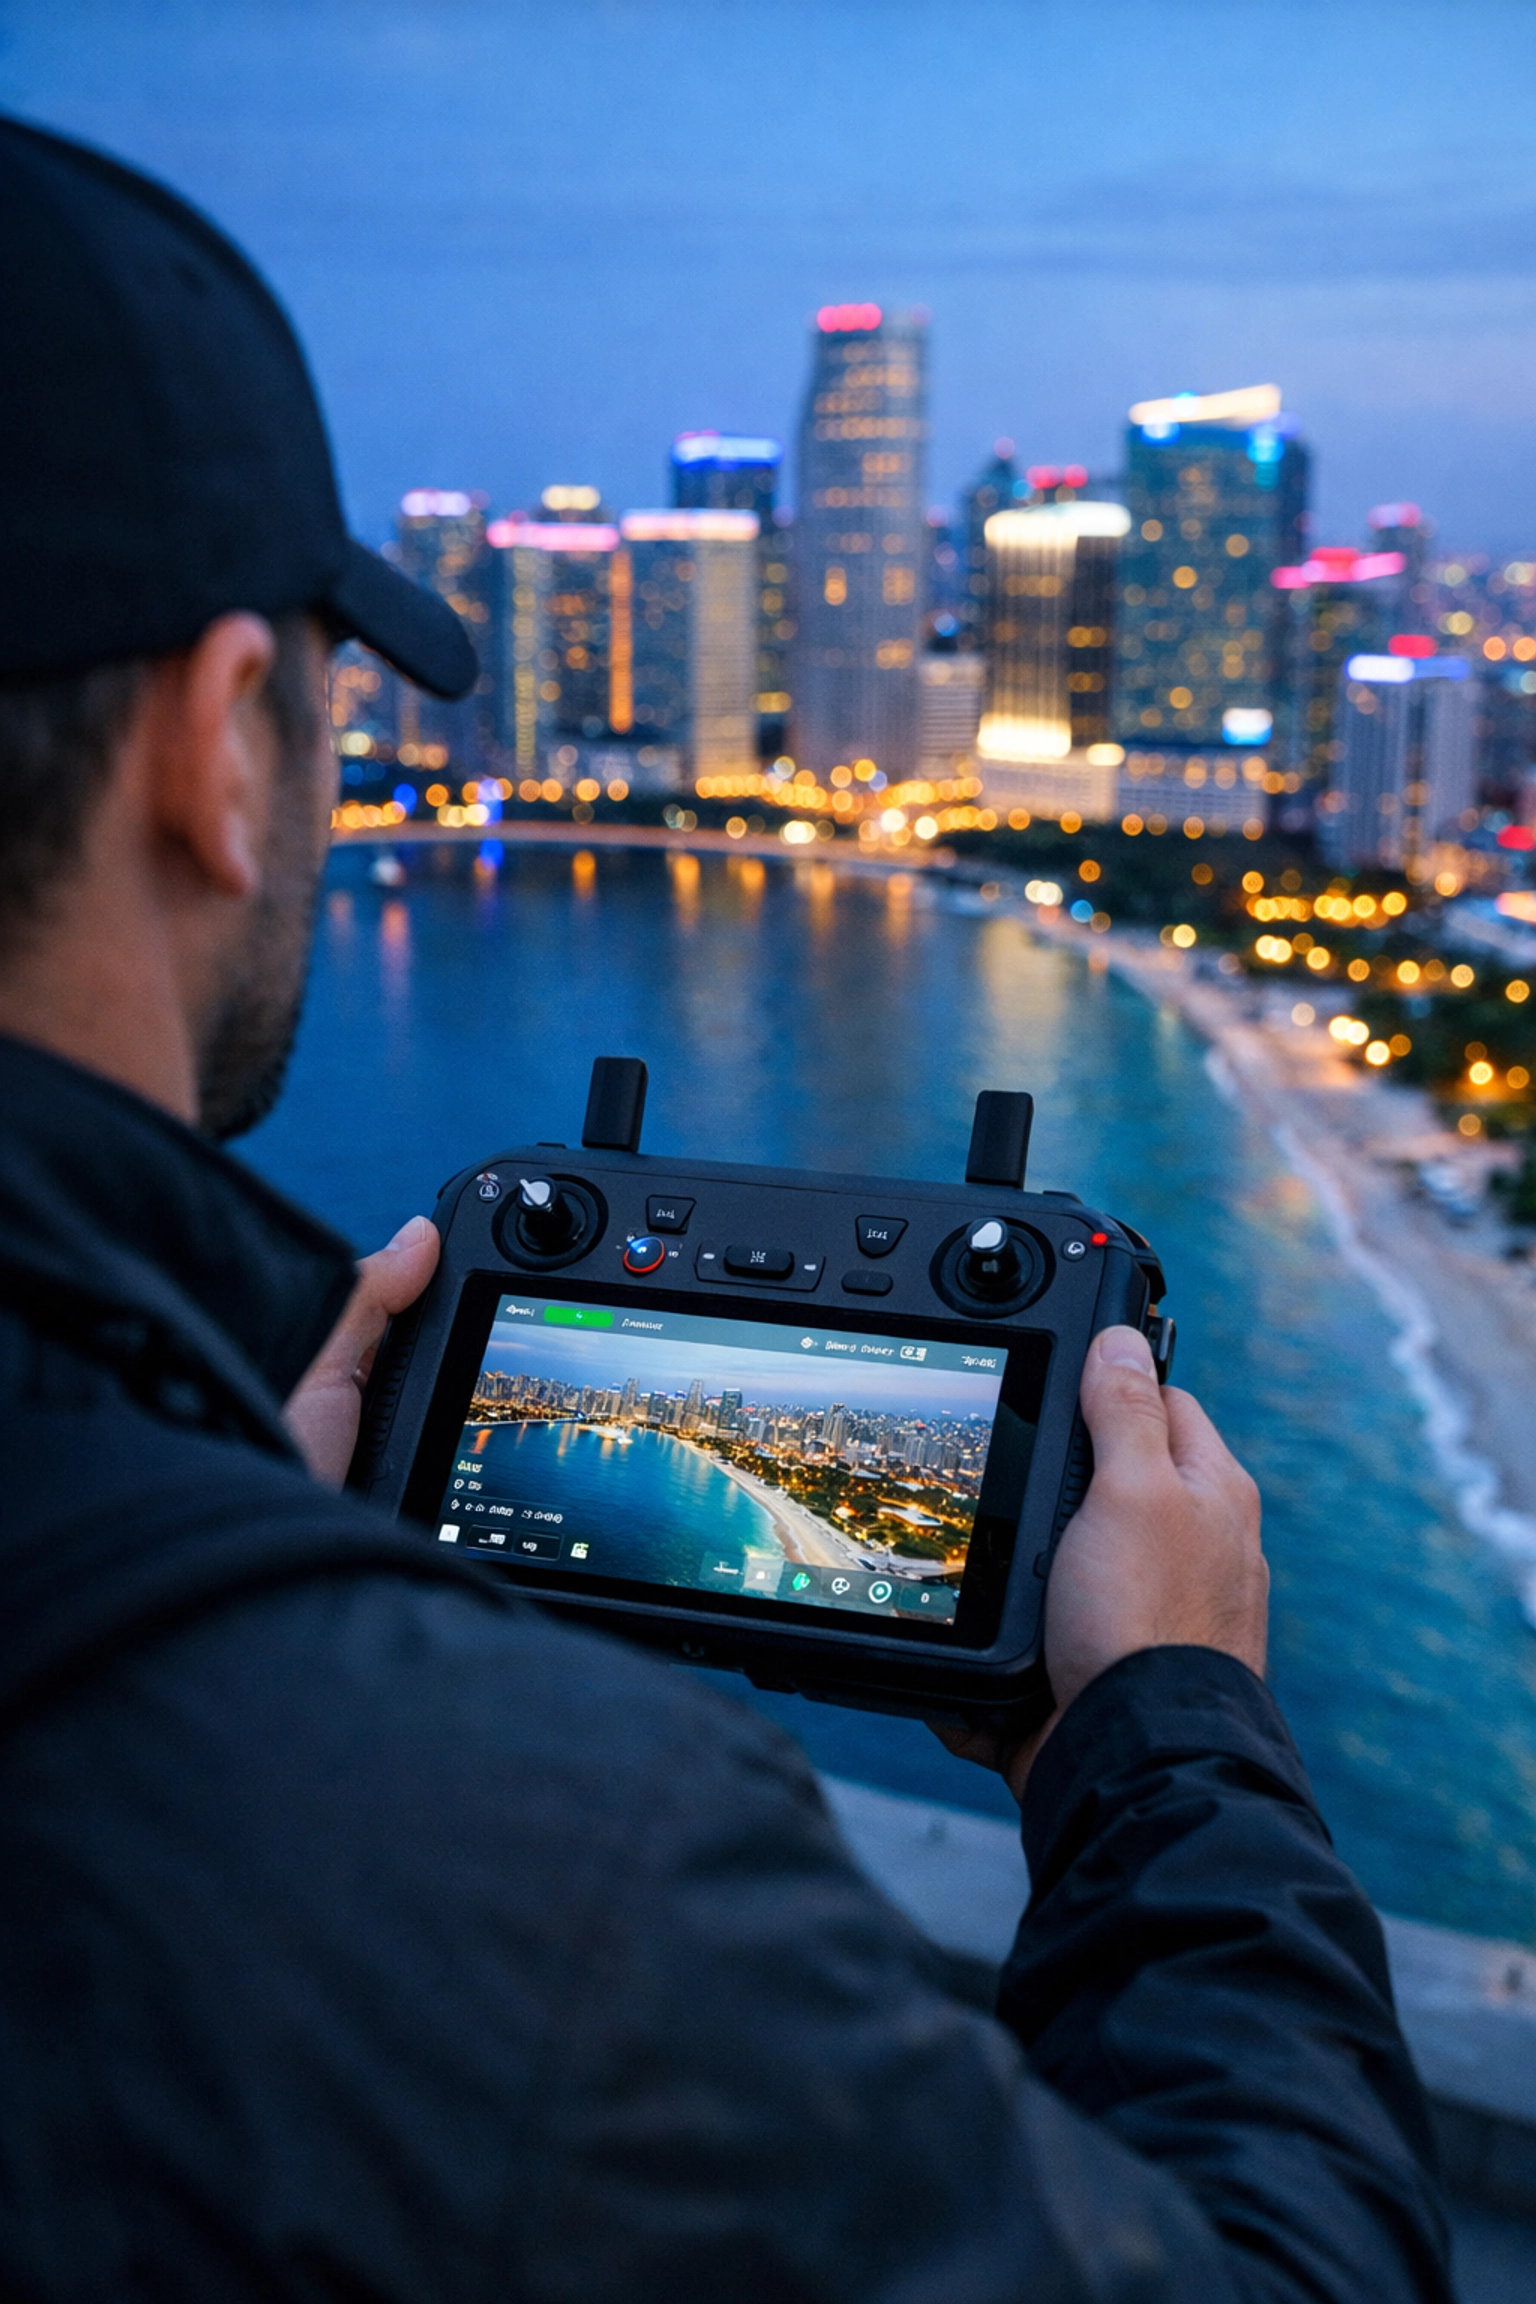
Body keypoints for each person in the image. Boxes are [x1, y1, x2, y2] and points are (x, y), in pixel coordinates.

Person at [0, 114, 1450, 2304]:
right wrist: (1161, 1731)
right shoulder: (555, 1878)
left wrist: (255, 1544)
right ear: (220, 745)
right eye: (325, 708)